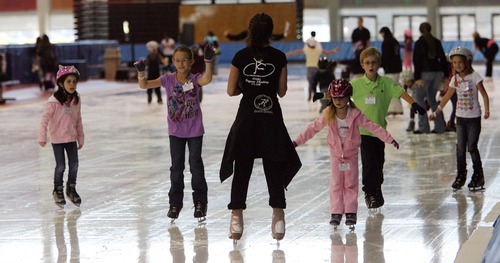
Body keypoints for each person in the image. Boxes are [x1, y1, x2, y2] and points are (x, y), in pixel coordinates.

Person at [219, 13, 302, 242]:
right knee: (273, 165)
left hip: (247, 118)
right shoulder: (279, 57)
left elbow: (230, 90)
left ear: (250, 30)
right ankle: (278, 215)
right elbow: (282, 91)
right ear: (270, 31)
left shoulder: (240, 56)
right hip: (271, 117)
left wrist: (247, 89)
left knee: (242, 165)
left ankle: (236, 216)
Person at [293, 79, 399, 229]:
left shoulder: (355, 115)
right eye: (335, 98)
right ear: (331, 98)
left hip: (351, 155)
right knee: (336, 184)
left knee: (350, 184)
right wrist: (296, 142)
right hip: (336, 155)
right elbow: (312, 129)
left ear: (348, 97)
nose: (338, 101)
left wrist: (389, 139)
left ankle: (350, 212)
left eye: (341, 97)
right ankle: (336, 212)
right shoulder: (328, 114)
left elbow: (373, 127)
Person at [133, 44, 215, 222]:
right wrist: (141, 72)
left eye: (184, 60)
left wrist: (208, 60)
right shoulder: (168, 79)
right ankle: (175, 204)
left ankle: (201, 202)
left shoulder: (195, 79)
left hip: (194, 131)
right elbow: (144, 85)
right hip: (176, 132)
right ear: (173, 62)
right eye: (177, 60)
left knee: (196, 166)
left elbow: (207, 79)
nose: (181, 63)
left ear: (191, 61)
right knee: (176, 168)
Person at [350, 47, 426, 209]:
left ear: (379, 64)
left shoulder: (386, 82)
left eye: (374, 62)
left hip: (380, 132)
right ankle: (370, 192)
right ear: (362, 65)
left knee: (379, 163)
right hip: (363, 132)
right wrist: (323, 96)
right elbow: (339, 92)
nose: (371, 65)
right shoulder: (356, 84)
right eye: (367, 63)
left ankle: (377, 188)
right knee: (369, 163)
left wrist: (414, 104)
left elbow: (400, 93)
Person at [429, 46, 490, 191]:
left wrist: (487, 109)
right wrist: (437, 111)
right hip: (460, 119)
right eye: (454, 62)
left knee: (472, 147)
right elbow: (447, 96)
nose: (457, 65)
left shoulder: (475, 77)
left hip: (474, 118)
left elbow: (484, 94)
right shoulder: (455, 79)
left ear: (468, 62)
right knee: (460, 148)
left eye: (460, 62)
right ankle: (461, 175)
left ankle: (478, 175)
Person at [38, 65, 84, 208]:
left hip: (71, 138)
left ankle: (71, 189)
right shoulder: (53, 102)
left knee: (74, 164)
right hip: (58, 139)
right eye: (69, 81)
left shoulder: (76, 100)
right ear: (60, 83)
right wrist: (42, 137)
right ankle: (57, 190)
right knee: (61, 166)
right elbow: (44, 120)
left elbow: (78, 119)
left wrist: (80, 137)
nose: (72, 85)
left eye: (74, 82)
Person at [412, 22, 449, 134]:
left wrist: (417, 77)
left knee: (419, 100)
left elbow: (417, 61)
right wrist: (446, 75)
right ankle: (440, 127)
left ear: (420, 30)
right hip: (437, 74)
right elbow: (443, 58)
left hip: (424, 74)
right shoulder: (436, 42)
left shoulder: (419, 43)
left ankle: (424, 128)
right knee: (432, 100)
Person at [286, 32, 340, 101]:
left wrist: (286, 54)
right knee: (315, 82)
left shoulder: (307, 49)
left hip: (309, 68)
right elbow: (328, 53)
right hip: (316, 68)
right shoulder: (318, 49)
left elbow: (296, 52)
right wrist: (335, 50)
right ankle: (315, 94)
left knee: (311, 82)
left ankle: (309, 95)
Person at [379, 27, 403, 116]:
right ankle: (397, 108)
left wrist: (380, 64)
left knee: (390, 89)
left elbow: (386, 56)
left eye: (381, 33)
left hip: (390, 68)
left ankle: (393, 109)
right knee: (394, 88)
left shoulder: (386, 42)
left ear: (384, 33)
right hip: (397, 68)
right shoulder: (395, 41)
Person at [224, 21, 290, 42]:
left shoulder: (264, 32)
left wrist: (283, 35)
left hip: (263, 53)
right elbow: (237, 37)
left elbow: (274, 37)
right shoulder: (247, 33)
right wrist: (228, 35)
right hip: (251, 52)